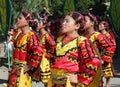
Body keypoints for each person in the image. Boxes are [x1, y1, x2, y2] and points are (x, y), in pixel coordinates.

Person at [50, 12, 100, 87]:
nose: (63, 23)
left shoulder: (81, 41)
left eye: (67, 21)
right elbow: (51, 58)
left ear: (77, 26)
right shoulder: (59, 40)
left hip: (70, 84)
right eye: (63, 21)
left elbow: (93, 61)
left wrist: (80, 78)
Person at [7, 9, 44, 87]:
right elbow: (14, 52)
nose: (17, 19)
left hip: (23, 72)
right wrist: (13, 66)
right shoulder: (18, 34)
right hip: (14, 71)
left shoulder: (31, 36)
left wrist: (30, 66)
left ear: (27, 22)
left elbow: (39, 52)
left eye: (20, 18)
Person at [83, 12, 116, 87]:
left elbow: (111, 47)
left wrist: (103, 60)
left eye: (85, 20)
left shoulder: (97, 35)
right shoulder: (83, 36)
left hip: (94, 69)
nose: (83, 22)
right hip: (84, 69)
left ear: (92, 23)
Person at [99, 20, 116, 87]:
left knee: (107, 71)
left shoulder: (108, 35)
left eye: (101, 25)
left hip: (106, 55)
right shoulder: (98, 35)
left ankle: (107, 84)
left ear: (105, 27)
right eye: (99, 25)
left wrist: (107, 56)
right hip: (99, 54)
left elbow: (112, 46)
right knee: (99, 71)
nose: (99, 26)